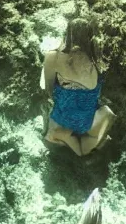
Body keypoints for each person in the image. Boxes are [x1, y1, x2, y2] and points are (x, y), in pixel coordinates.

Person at [40, 16, 116, 156]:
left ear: (68, 34)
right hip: (86, 122)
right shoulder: (98, 62)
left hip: (63, 118)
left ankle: (64, 136)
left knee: (50, 91)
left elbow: (49, 89)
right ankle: (81, 147)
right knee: (104, 110)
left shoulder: (53, 57)